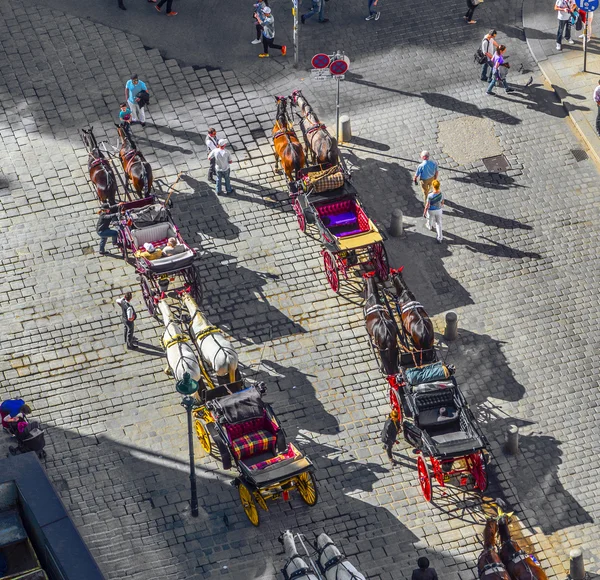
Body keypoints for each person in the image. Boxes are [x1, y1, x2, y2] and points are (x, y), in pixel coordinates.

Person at [423, 180, 444, 244]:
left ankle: (430, 226)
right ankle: (440, 238)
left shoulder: (430, 195)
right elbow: (442, 202)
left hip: (431, 210)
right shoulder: (441, 194)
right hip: (438, 210)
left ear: (433, 186)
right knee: (438, 223)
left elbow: (427, 205)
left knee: (430, 218)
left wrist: (424, 211)